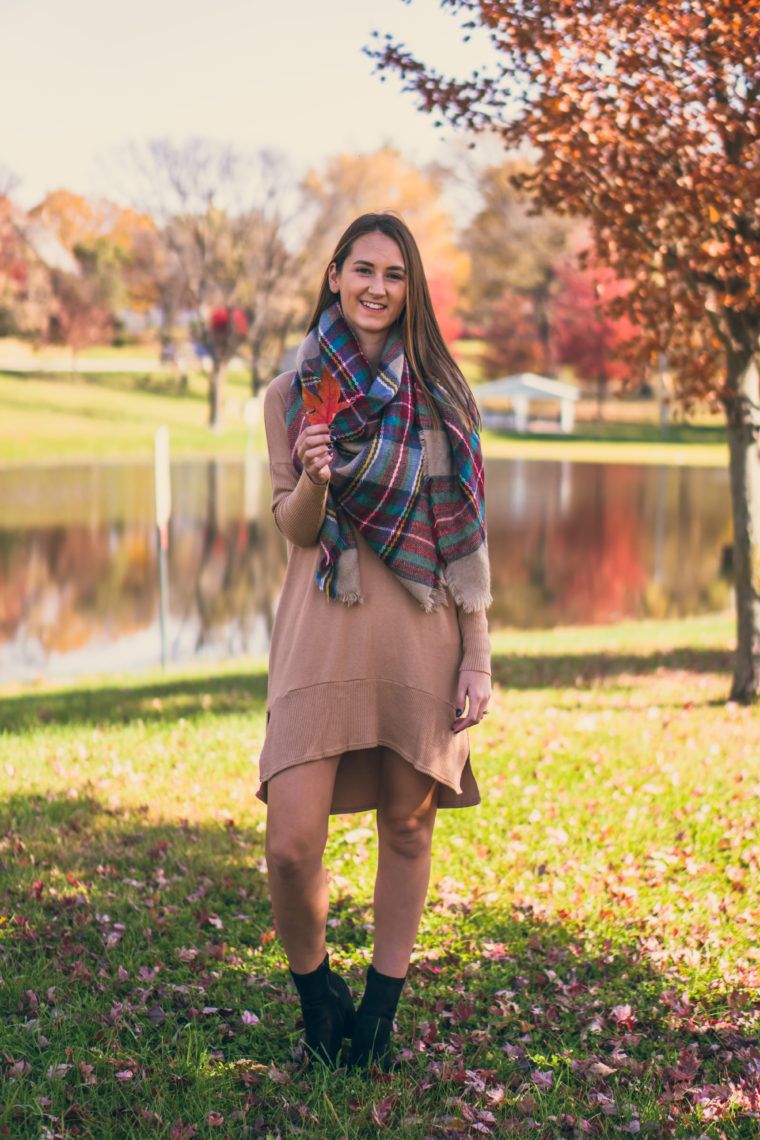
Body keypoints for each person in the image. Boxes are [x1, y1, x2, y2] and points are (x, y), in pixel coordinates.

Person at [258, 212, 492, 1071]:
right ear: (333, 274)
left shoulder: (443, 390)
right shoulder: (292, 395)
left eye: (395, 275)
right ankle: (318, 993)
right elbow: (293, 527)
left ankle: (380, 1016)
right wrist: (317, 475)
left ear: (410, 287)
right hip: (321, 632)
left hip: (421, 634)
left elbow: (468, 533)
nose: (378, 288)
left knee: (407, 825)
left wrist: (478, 653)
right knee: (290, 842)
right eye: (364, 270)